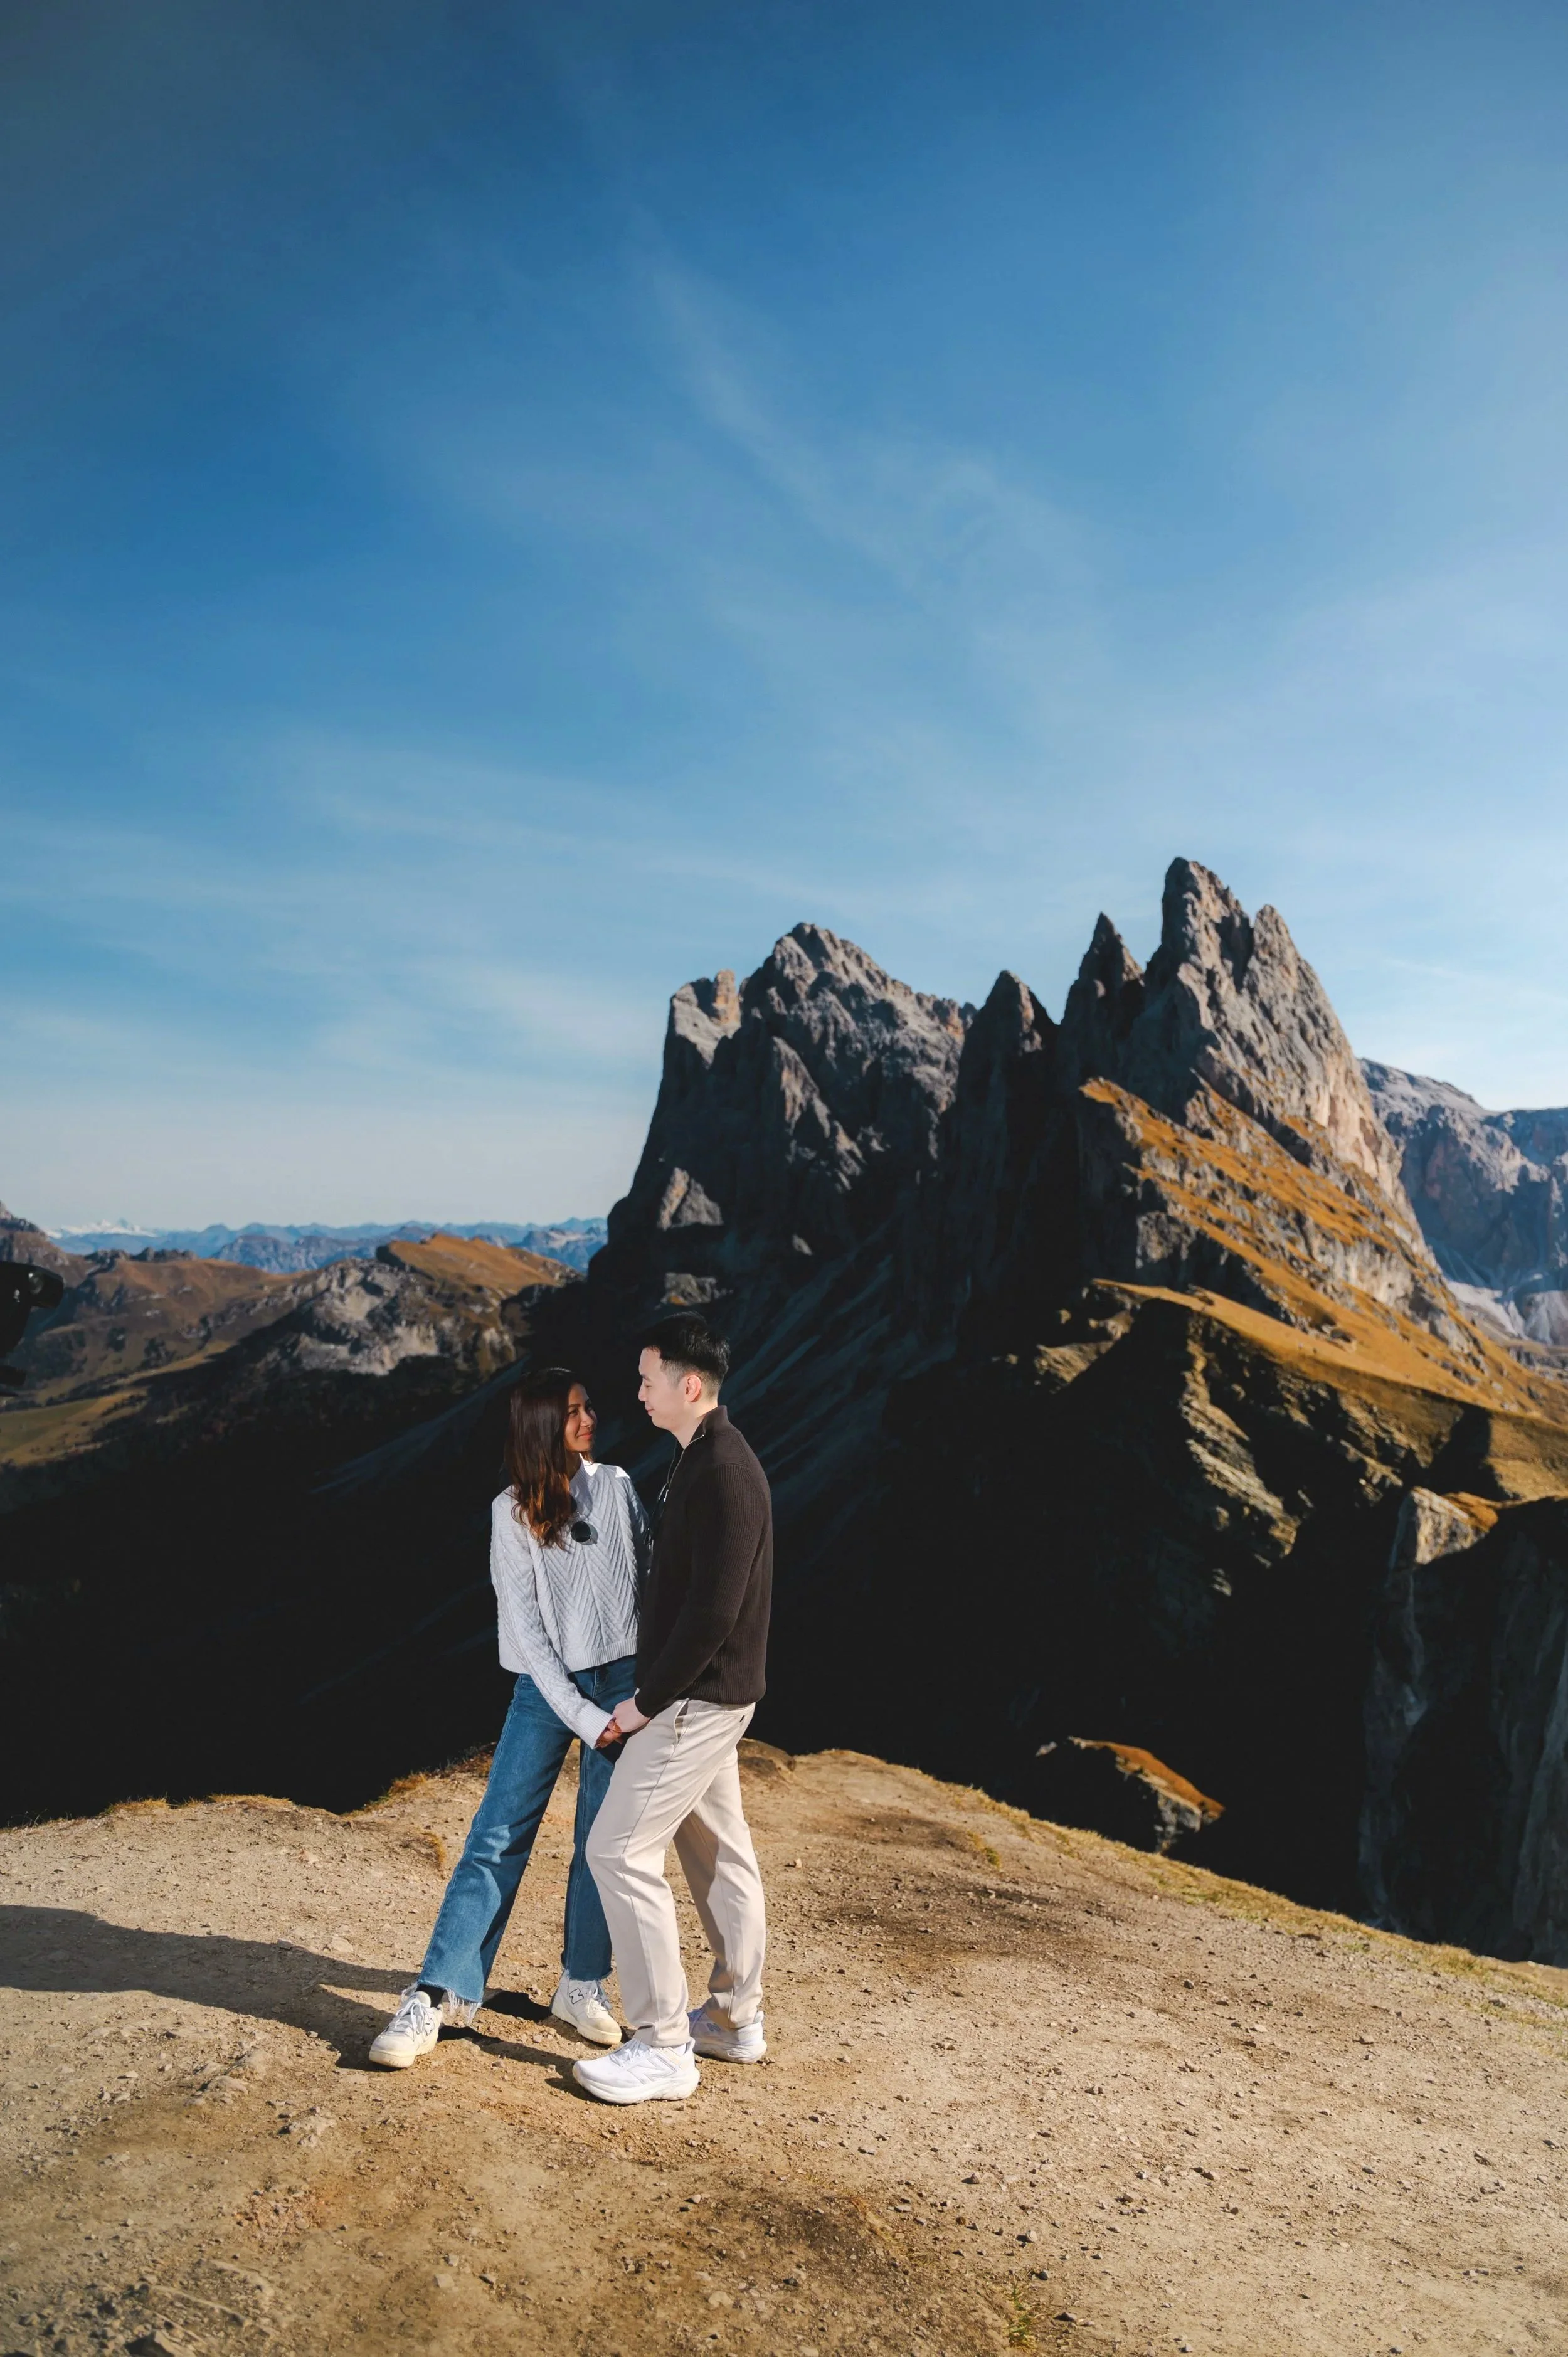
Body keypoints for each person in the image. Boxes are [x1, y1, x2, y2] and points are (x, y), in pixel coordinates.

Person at [369, 1366, 649, 2068]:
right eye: (574, 1411)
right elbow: (527, 1634)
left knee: (601, 1839)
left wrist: (642, 1692)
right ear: (539, 1427)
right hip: (546, 1685)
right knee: (496, 1835)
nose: (590, 1419)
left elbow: (651, 1583)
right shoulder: (511, 1510)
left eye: (589, 1406)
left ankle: (581, 1984)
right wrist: (586, 1715)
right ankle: (437, 1994)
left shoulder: (616, 1485)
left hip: (625, 1682)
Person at [573, 1313, 773, 2106]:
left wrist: (643, 1704)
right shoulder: (702, 1455)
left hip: (696, 1699)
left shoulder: (723, 1469)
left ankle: (662, 2044)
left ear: (690, 1386)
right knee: (720, 1854)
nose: (639, 1392)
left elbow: (712, 1612)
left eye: (650, 1378)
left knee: (617, 1852)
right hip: (711, 1695)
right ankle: (731, 2019)